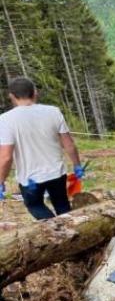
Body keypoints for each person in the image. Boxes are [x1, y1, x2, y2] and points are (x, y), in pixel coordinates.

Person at [0, 77, 84, 220]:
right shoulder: (53, 112)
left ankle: (56, 230)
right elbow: (69, 144)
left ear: (11, 96)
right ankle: (70, 230)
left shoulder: (5, 120)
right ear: (35, 92)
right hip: (56, 173)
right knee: (62, 205)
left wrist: (1, 180)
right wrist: (77, 165)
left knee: (35, 206)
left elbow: (6, 157)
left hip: (30, 179)